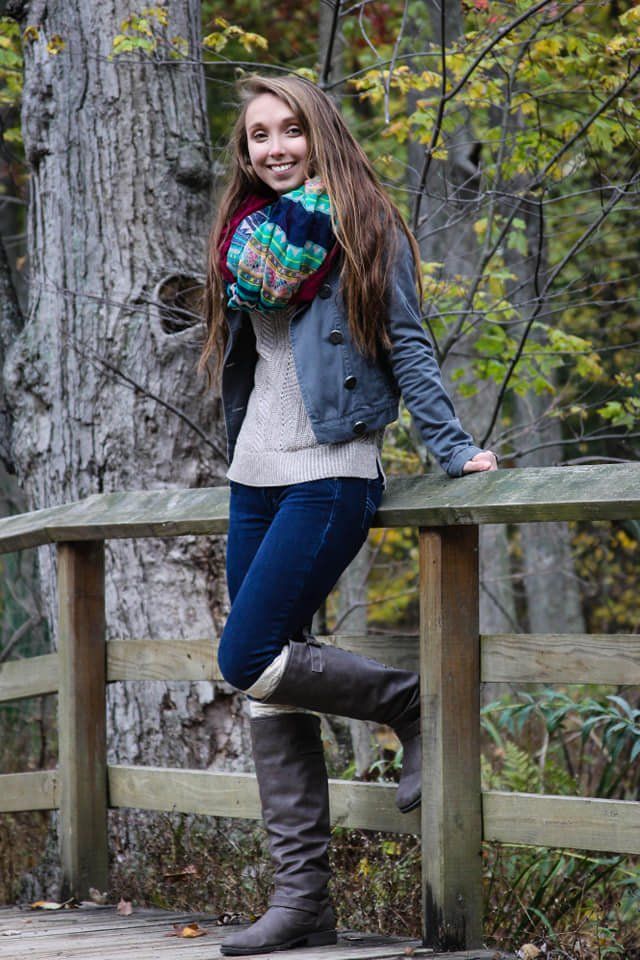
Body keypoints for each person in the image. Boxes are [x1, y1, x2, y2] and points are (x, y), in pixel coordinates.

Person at [200, 73, 498, 957]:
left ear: (320, 132)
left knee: (246, 655)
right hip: (253, 477)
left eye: (291, 129)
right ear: (245, 152)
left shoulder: (365, 225)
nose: (276, 148)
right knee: (264, 683)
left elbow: (408, 342)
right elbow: (252, 367)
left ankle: (408, 703)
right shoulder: (246, 238)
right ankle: (304, 904)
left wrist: (451, 447)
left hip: (332, 472)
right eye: (259, 135)